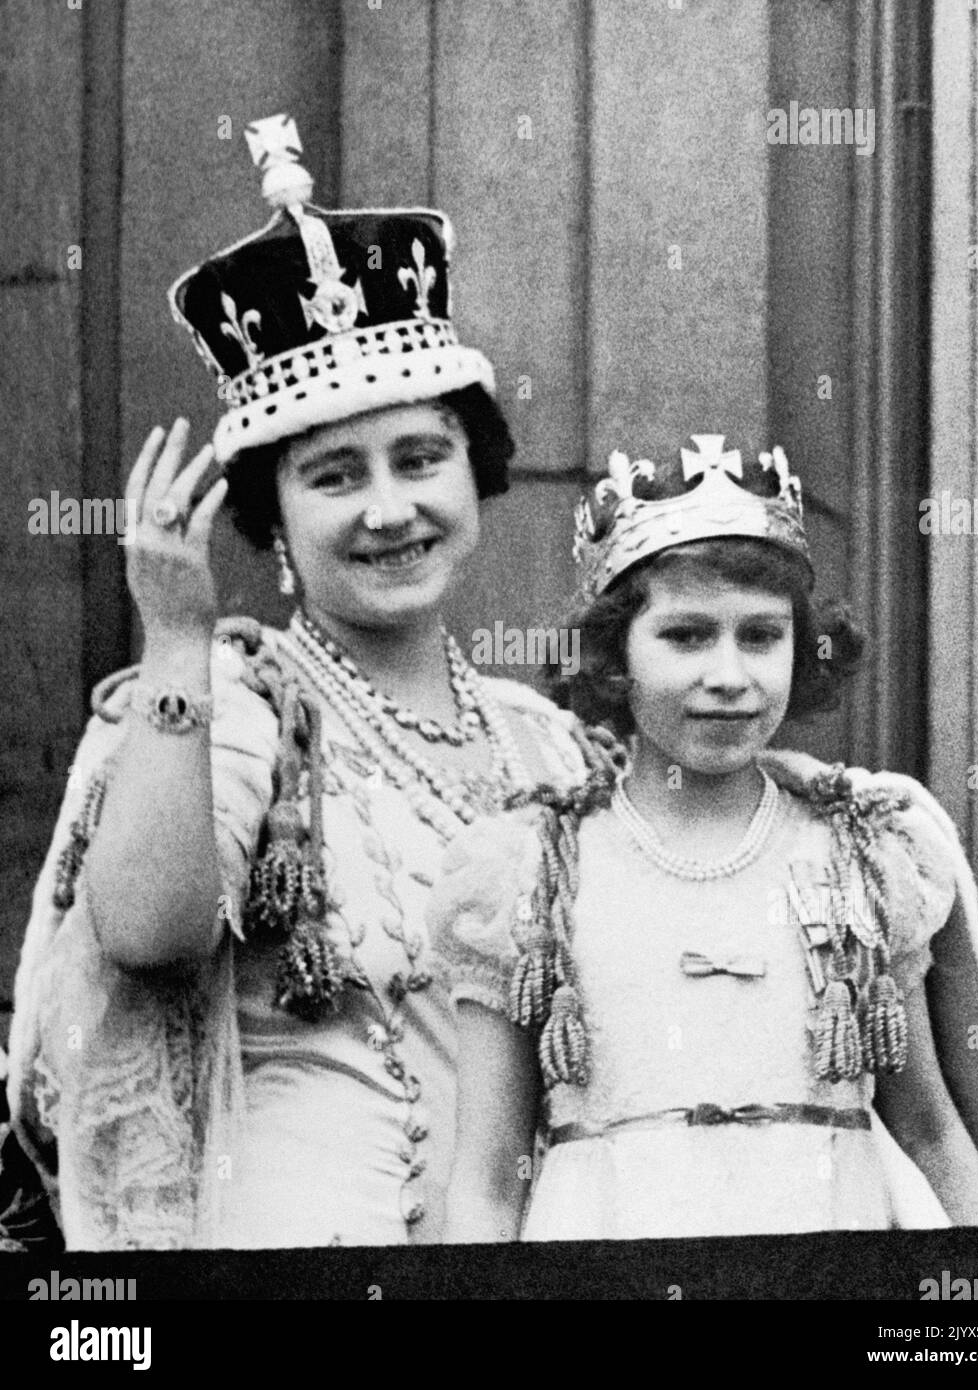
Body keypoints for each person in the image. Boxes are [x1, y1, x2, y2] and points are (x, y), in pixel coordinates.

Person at [5, 114, 585, 1249]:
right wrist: (176, 640)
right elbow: (146, 934)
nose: (389, 510)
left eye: (421, 459)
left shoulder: (543, 743)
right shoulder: (236, 706)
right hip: (295, 1256)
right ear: (272, 519)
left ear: (475, 473)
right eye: (334, 476)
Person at [429, 433, 978, 1241]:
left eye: (761, 636)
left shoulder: (860, 849)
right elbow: (489, 1179)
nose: (730, 675)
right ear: (611, 653)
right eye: (688, 636)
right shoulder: (533, 869)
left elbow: (929, 1130)